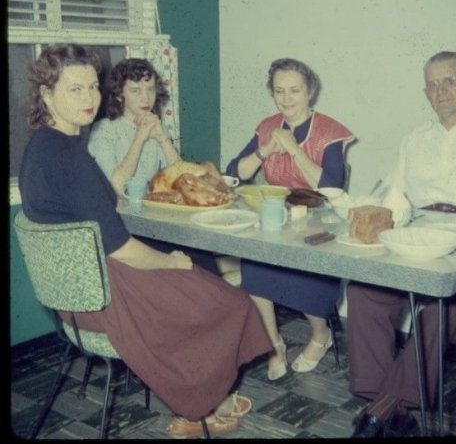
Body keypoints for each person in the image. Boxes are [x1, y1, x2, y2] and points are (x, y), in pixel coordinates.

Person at [19, 44, 272, 439]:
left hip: (74, 296)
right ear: (47, 94)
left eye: (92, 87)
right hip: (104, 296)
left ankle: (207, 397)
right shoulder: (69, 158)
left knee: (199, 284)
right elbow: (121, 248)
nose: (89, 98)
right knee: (227, 300)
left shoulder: (44, 146)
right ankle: (196, 409)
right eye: (74, 89)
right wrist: (170, 262)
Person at [348, 51, 456, 438]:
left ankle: (382, 410)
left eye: (449, 81)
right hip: (418, 239)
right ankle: (387, 406)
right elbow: (395, 197)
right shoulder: (414, 140)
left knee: (442, 306)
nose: (439, 90)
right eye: (432, 83)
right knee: (364, 291)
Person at [226, 58, 354, 380]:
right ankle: (274, 344)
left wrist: (295, 151)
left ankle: (320, 336)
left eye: (294, 90)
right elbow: (234, 174)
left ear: (310, 91)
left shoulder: (330, 131)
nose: (286, 98)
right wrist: (266, 149)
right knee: (254, 261)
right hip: (275, 215)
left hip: (318, 218)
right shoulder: (267, 125)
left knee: (309, 268)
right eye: (279, 91)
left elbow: (332, 186)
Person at [87, 58, 219, 274]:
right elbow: (118, 188)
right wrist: (140, 138)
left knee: (203, 254)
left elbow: (185, 179)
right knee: (189, 268)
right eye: (136, 90)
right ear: (120, 94)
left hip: (153, 222)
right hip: (124, 231)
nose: (145, 97)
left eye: (150, 89)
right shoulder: (104, 131)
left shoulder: (154, 124)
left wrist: (162, 139)